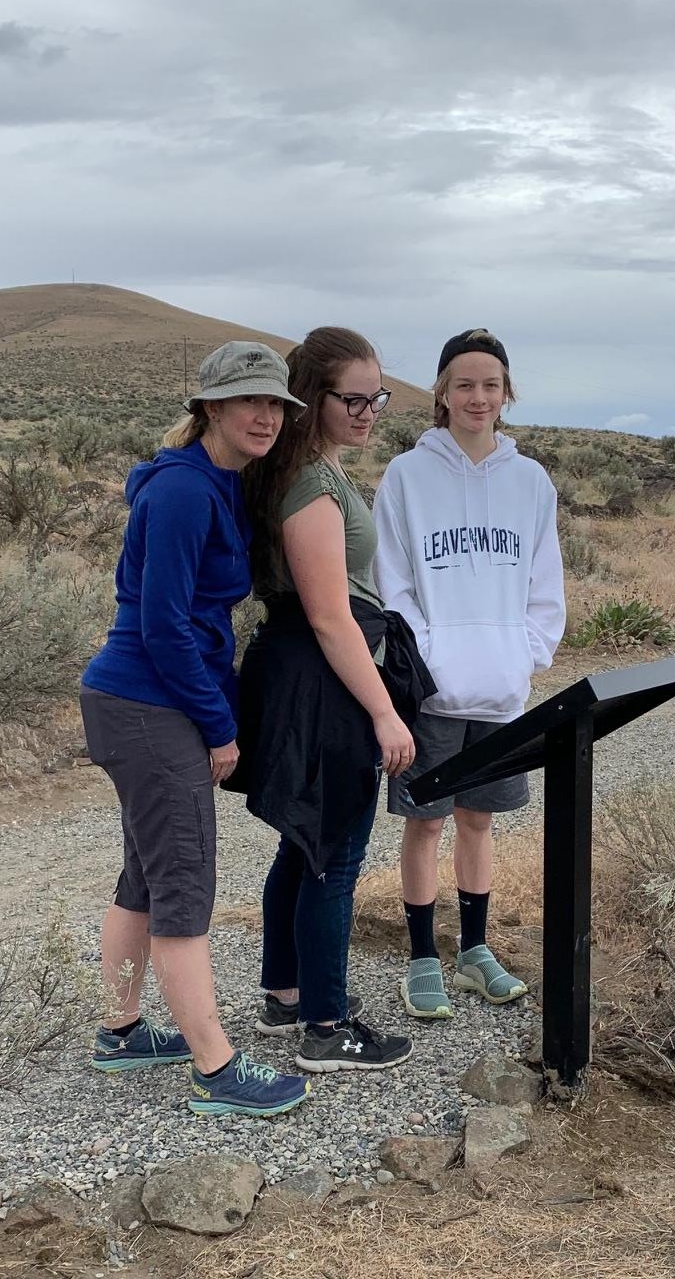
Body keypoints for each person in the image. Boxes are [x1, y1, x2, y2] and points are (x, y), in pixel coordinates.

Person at [79, 341, 312, 1117]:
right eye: (249, 401)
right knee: (183, 881)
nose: (265, 416)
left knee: (145, 875)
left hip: (138, 703)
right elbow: (166, 627)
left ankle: (121, 1033)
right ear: (210, 407)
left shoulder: (208, 482)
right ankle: (216, 1067)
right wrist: (220, 727)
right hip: (150, 704)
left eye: (276, 403)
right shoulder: (182, 492)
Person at [237, 327, 434, 1073]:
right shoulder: (312, 485)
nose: (368, 411)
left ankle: (286, 996)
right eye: (352, 398)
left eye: (377, 397)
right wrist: (384, 712)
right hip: (326, 675)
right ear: (311, 397)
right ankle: (327, 1024)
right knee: (337, 852)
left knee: (306, 840)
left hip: (306, 669)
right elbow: (328, 614)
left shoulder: (304, 467)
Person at [373, 328, 565, 1018]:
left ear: (505, 393)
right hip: (431, 695)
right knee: (425, 824)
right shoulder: (406, 476)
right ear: (442, 394)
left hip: (502, 691)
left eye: (490, 384)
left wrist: (525, 652)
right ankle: (423, 955)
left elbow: (545, 583)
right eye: (464, 384)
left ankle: (474, 952)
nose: (477, 397)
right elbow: (392, 583)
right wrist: (429, 659)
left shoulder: (530, 480)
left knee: (479, 821)